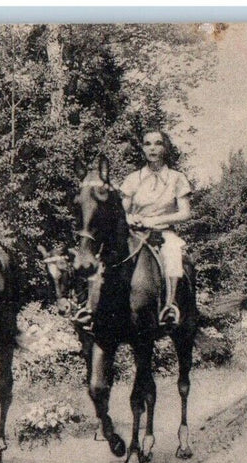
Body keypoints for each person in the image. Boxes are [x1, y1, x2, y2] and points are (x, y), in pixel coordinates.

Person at [77, 128, 192, 329]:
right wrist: (131, 219)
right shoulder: (132, 179)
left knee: (173, 252)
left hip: (163, 233)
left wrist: (154, 221)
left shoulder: (177, 178)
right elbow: (122, 210)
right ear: (142, 149)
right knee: (104, 255)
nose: (152, 148)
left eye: (158, 143)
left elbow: (185, 213)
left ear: (165, 148)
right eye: (147, 144)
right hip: (134, 232)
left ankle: (170, 307)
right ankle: (89, 307)